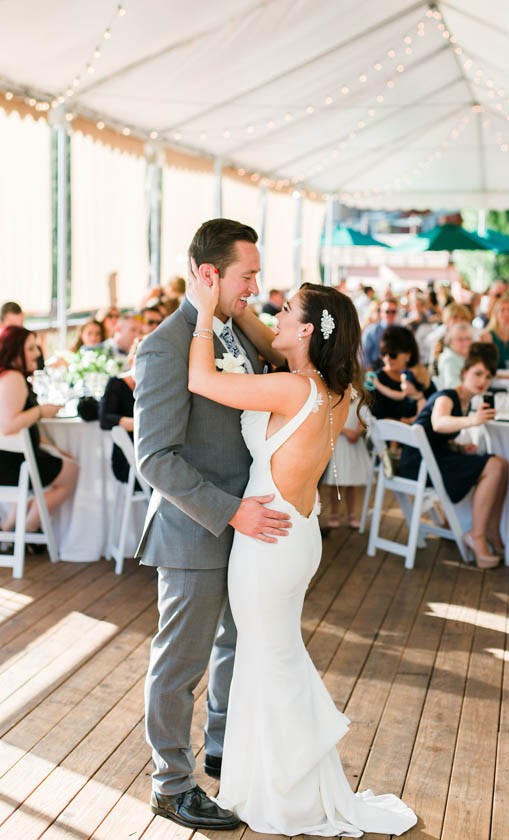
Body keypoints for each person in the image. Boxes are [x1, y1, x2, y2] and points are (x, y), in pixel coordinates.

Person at [185, 265, 417, 836]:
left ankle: (286, 791)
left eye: (287, 309)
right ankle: (282, 780)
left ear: (310, 330)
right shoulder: (336, 391)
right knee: (272, 657)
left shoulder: (292, 389)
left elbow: (201, 380)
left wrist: (201, 306)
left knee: (268, 661)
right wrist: (233, 306)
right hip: (297, 534)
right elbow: (272, 337)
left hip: (267, 540)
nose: (275, 313)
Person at [135, 219, 292, 832]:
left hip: (250, 528)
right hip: (195, 530)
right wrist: (229, 511)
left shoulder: (235, 333)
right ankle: (171, 785)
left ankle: (223, 751)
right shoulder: (165, 345)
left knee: (235, 645)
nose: (256, 286)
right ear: (209, 275)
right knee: (180, 663)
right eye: (247, 275)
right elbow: (155, 458)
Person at [399, 346, 509, 569]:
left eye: (487, 376)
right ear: (464, 373)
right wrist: (474, 421)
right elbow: (438, 423)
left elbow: (437, 435)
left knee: (502, 465)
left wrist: (459, 447)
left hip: (436, 457)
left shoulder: (467, 402)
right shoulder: (447, 396)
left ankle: (492, 531)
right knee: (495, 466)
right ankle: (476, 536)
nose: (483, 381)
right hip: (420, 464)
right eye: (477, 374)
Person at [0, 326, 78, 532]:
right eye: (31, 348)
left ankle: (9, 529)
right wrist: (41, 411)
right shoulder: (13, 378)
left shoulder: (7, 376)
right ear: (16, 350)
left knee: (55, 464)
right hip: (11, 464)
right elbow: (8, 426)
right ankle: (28, 529)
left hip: (12, 459)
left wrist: (51, 447)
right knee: (71, 471)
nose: (37, 354)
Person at [321, 395, 371, 529]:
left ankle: (351, 514)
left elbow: (365, 419)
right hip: (339, 444)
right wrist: (345, 431)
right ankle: (334, 514)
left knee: (351, 482)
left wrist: (357, 432)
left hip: (353, 445)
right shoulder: (334, 400)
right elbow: (329, 419)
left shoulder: (358, 402)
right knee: (335, 483)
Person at [369, 326, 435, 422]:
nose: (387, 359)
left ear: (408, 354)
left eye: (393, 355)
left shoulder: (418, 375)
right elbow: (377, 418)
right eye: (383, 353)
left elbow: (435, 402)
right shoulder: (375, 380)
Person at [99, 339, 140, 483]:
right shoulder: (117, 383)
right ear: (131, 358)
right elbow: (105, 419)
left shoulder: (156, 386)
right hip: (127, 460)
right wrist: (138, 424)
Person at [481, 295, 509, 368]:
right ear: (496, 314)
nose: (506, 314)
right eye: (502, 310)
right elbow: (485, 367)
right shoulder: (487, 337)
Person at [361, 298, 399, 369]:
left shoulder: (401, 330)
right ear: (381, 312)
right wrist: (370, 371)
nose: (390, 314)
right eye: (387, 311)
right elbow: (363, 353)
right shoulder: (371, 330)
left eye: (393, 311)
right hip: (376, 369)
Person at [436, 322, 473, 389]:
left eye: (468, 338)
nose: (466, 343)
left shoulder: (467, 356)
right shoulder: (449, 359)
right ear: (451, 341)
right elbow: (453, 386)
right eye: (460, 339)